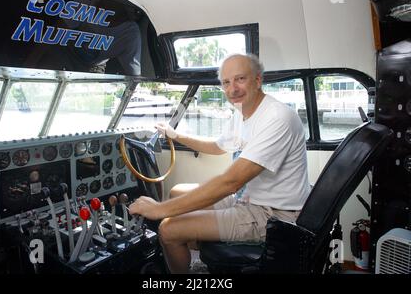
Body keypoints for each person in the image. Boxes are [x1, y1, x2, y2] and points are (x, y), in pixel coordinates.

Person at [129, 53, 311, 274]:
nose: (232, 89)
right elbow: (217, 146)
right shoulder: (243, 112)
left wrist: (158, 210)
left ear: (257, 80)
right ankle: (201, 262)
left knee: (167, 230)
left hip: (273, 214)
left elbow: (230, 182)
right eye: (226, 82)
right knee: (177, 192)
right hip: (247, 198)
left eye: (240, 79)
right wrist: (176, 136)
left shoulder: (277, 117)